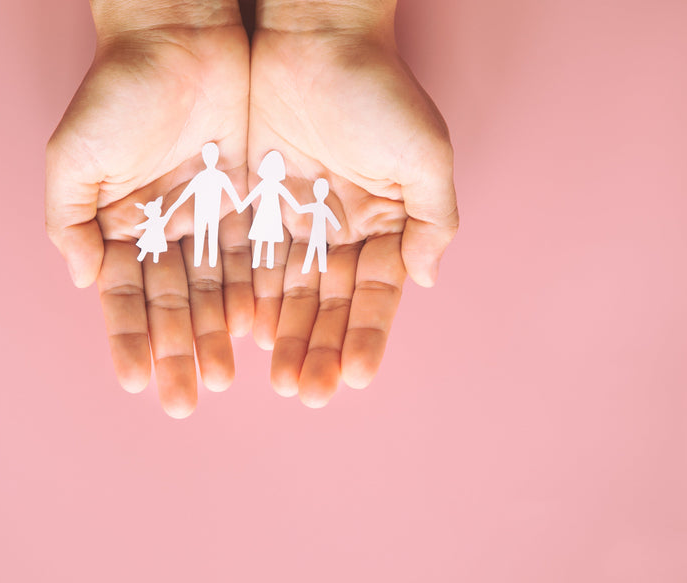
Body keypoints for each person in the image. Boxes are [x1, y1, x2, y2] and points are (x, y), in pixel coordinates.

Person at [44, 0, 458, 416]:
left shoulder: (239, 182)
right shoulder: (212, 178)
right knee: (211, 239)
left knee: (247, 243)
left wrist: (331, 22)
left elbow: (268, 198)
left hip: (243, 213)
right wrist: (158, 20)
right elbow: (193, 197)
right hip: (217, 215)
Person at [166, 142, 244, 268]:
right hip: (202, 211)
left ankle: (209, 261)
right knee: (203, 235)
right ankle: (200, 261)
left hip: (211, 212)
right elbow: (185, 194)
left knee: (210, 235)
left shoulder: (215, 176)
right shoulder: (204, 177)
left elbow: (232, 192)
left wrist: (239, 204)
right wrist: (173, 207)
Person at [236, 150, 303, 269]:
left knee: (268, 237)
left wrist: (299, 208)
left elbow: (288, 197)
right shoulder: (265, 184)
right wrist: (242, 204)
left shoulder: (273, 185)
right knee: (261, 237)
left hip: (272, 212)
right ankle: (257, 261)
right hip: (265, 211)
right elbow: (253, 194)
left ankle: (267, 261)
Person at [297, 178, 342, 274]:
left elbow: (332, 218)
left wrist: (338, 227)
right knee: (314, 249)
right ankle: (311, 268)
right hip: (317, 232)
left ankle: (318, 268)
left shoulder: (322, 207)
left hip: (320, 233)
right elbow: (301, 209)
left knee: (318, 249)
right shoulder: (319, 207)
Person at [134, 197, 173, 263]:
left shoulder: (159, 220)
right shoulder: (157, 220)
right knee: (147, 248)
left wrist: (171, 210)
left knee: (153, 249)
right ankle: (144, 257)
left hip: (154, 236)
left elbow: (143, 225)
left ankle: (153, 259)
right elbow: (143, 225)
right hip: (153, 236)